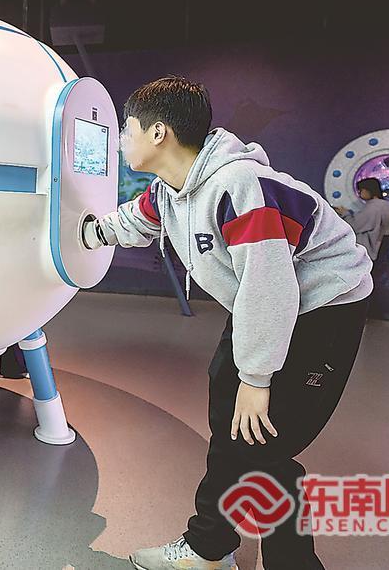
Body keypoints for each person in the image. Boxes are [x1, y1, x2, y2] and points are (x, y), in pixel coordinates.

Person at [82, 77, 372, 570]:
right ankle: (209, 548)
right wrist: (80, 236)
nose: (121, 140)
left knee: (264, 440)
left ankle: (268, 559)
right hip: (260, 305)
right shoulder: (170, 190)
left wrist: (256, 379)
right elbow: (133, 221)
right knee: (229, 422)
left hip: (322, 306)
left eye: (126, 129)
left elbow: (270, 286)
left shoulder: (240, 186)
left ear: (158, 133)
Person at [335, 177, 389, 262]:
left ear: (369, 190)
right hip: (376, 251)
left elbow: (355, 225)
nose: (359, 193)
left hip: (363, 252)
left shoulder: (373, 207)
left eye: (361, 190)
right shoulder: (385, 206)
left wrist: (345, 213)